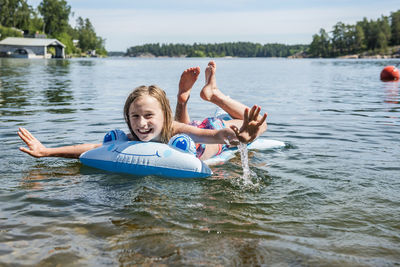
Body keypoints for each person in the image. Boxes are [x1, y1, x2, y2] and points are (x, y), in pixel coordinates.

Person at [18, 61, 267, 161]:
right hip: (189, 134)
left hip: (207, 130)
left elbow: (216, 136)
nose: (141, 124)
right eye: (134, 116)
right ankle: (184, 100)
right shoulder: (133, 137)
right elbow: (92, 148)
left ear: (163, 117)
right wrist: (47, 151)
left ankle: (214, 95)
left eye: (149, 116)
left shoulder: (172, 128)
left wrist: (240, 137)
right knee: (187, 133)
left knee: (260, 123)